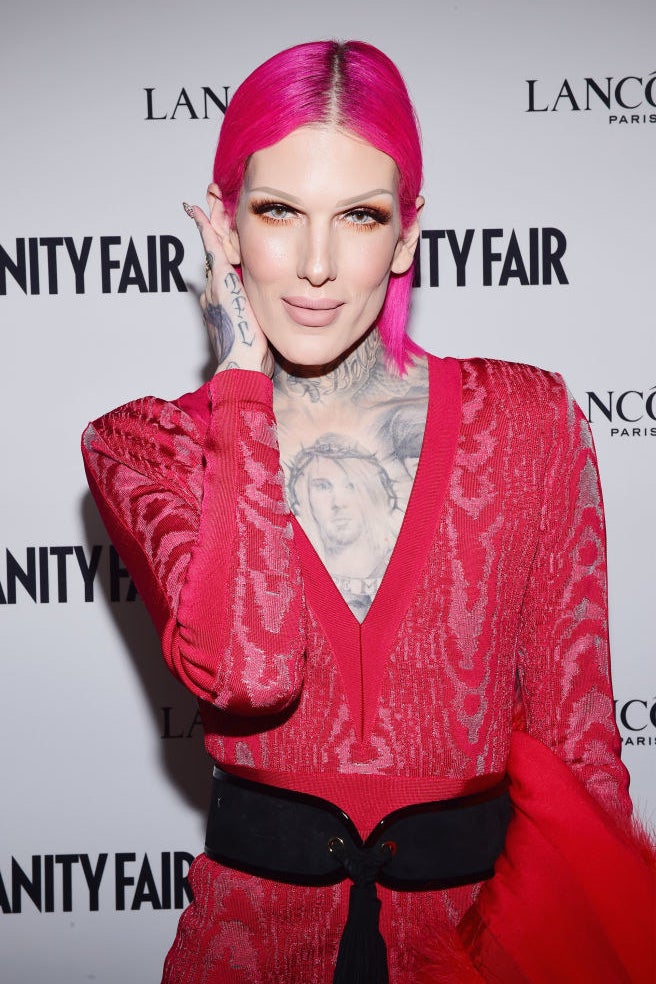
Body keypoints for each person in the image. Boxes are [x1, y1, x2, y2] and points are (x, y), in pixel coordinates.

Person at [82, 40, 653, 984]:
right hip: (249, 958)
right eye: (278, 212)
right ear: (226, 225)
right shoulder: (149, 448)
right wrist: (239, 383)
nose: (315, 265)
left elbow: (581, 757)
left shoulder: (530, 423)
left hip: (479, 953)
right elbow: (251, 675)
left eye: (359, 215)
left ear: (407, 235)